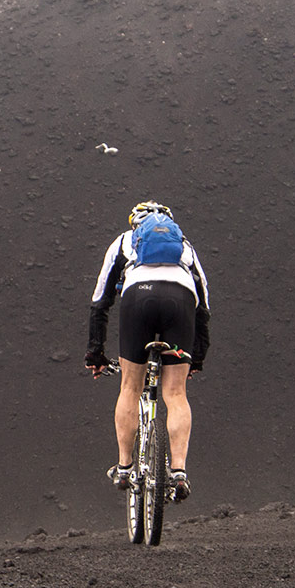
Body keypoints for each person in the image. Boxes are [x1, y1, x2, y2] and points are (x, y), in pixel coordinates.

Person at [84, 201, 211, 502]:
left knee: (130, 386)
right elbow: (204, 306)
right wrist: (197, 357)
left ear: (135, 224)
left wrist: (95, 353)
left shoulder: (124, 241)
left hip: (137, 299)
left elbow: (100, 301)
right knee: (176, 393)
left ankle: (125, 467)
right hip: (180, 301)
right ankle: (178, 472)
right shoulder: (184, 246)